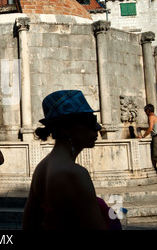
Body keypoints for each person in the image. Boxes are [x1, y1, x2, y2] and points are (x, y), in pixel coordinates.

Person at [22, 90, 119, 230]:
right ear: (66, 128)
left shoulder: (42, 167)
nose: (97, 128)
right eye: (90, 121)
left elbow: (29, 225)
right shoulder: (74, 174)